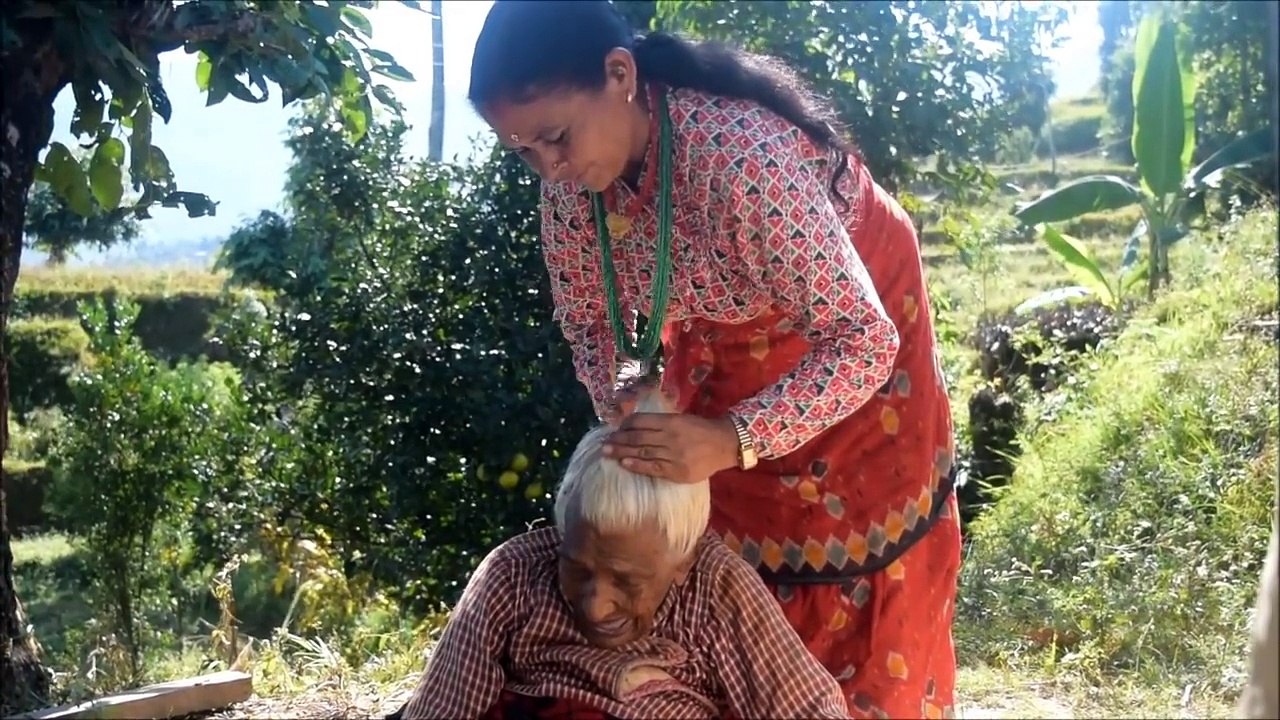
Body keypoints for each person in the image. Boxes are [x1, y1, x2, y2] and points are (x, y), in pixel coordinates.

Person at [467, 2, 963, 717]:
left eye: (555, 137)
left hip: (854, 315)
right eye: (523, 153)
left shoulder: (742, 158)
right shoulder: (568, 190)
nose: (551, 168)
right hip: (722, 324)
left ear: (619, 75)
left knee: (852, 527)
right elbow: (588, 321)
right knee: (722, 528)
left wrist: (733, 437)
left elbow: (863, 340)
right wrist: (627, 395)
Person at [396, 390, 850, 719]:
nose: (594, 605)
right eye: (575, 568)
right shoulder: (513, 574)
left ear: (683, 561)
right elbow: (441, 710)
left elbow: (811, 711)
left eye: (628, 581)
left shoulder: (718, 588)